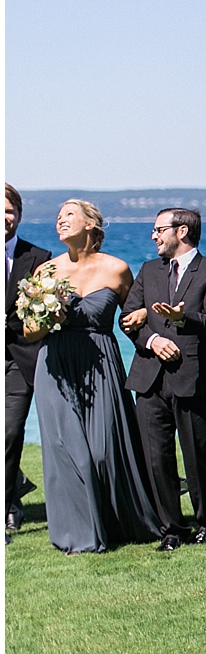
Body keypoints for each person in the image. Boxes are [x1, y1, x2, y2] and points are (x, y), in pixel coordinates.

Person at [25, 200, 160, 553]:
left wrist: (144, 312)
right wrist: (45, 321)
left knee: (104, 451)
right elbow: (28, 332)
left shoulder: (117, 269)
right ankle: (78, 535)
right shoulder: (45, 272)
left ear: (91, 225)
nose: (60, 220)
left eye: (68, 214)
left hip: (102, 364)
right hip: (56, 366)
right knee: (68, 453)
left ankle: (120, 523)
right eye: (58, 216)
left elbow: (134, 316)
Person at [121, 208, 206, 550]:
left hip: (192, 377)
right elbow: (128, 319)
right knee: (157, 457)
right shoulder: (148, 270)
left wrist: (182, 319)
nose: (153, 236)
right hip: (149, 378)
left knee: (198, 455)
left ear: (181, 231)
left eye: (158, 230)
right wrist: (152, 340)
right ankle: (171, 528)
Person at [5, 184, 51, 542]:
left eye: (9, 211)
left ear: (19, 215)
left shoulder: (38, 257)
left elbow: (38, 315)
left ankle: (7, 508)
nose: (5, 218)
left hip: (17, 359)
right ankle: (16, 486)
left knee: (8, 432)